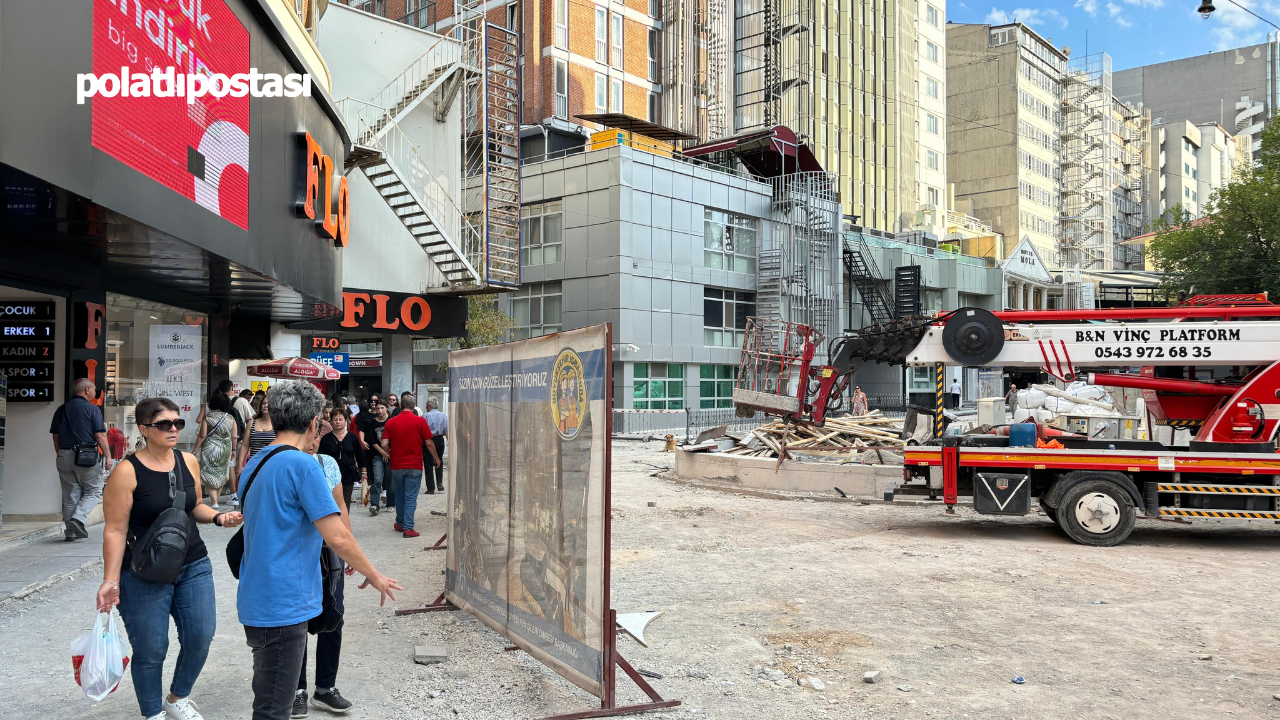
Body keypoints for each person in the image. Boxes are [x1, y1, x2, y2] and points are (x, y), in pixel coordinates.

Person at [237, 381, 400, 720]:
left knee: (269, 700)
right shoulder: (304, 465)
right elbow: (337, 536)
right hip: (285, 600)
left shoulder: (256, 461)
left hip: (258, 595)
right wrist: (375, 574)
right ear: (314, 422)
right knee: (272, 710)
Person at [96, 397, 244, 720]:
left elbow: (194, 506)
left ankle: (177, 698)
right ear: (145, 429)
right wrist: (110, 580)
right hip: (144, 570)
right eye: (165, 424)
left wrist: (219, 518)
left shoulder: (189, 461)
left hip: (192, 561)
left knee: (201, 635)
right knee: (151, 648)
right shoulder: (126, 472)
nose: (174, 429)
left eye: (178, 423)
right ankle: (153, 714)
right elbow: (115, 531)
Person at [294, 416, 357, 717]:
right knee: (297, 621)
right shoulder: (283, 463)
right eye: (313, 432)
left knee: (334, 615)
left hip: (327, 554)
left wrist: (348, 548)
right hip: (294, 556)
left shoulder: (328, 464)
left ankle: (325, 688)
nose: (315, 438)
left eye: (319, 433)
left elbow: (341, 505)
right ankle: (297, 689)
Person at [50, 377, 113, 541]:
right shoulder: (93, 409)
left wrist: (61, 453)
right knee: (93, 490)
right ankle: (78, 520)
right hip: (86, 456)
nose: (94, 393)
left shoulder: (61, 409)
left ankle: (70, 533)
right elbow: (100, 435)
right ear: (87, 390)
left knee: (71, 494)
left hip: (63, 455)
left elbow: (55, 437)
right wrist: (108, 455)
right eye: (93, 390)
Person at [380, 393, 439, 538]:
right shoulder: (420, 421)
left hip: (397, 465)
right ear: (414, 407)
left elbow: (384, 444)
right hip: (414, 464)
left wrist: (388, 454)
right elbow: (429, 443)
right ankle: (408, 527)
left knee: (400, 495)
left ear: (400, 406)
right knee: (411, 497)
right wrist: (436, 458)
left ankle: (400, 523)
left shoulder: (390, 422)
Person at [193, 389, 239, 509]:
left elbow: (202, 435)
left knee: (209, 473)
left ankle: (214, 502)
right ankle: (216, 500)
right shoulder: (230, 418)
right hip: (225, 448)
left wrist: (195, 449)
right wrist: (234, 450)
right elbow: (234, 436)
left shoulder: (207, 418)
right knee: (221, 473)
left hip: (210, 448)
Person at [319, 407, 366, 508]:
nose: (338, 422)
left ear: (345, 421)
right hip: (330, 475)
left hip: (348, 474)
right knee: (332, 501)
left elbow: (360, 455)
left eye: (341, 419)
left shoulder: (352, 437)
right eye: (335, 419)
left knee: (346, 500)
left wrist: (364, 472)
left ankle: (344, 522)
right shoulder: (326, 439)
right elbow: (321, 458)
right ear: (331, 421)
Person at [363, 401, 392, 514]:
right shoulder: (372, 423)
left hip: (391, 454)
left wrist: (387, 452)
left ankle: (390, 503)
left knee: (390, 480)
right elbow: (372, 440)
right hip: (377, 454)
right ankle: (375, 504)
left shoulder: (391, 421)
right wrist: (382, 452)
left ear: (387, 409)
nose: (380, 411)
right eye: (378, 408)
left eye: (382, 408)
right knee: (377, 479)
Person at [239, 393, 276, 470]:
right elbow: (245, 445)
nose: (266, 405)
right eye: (264, 403)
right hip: (254, 464)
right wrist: (239, 465)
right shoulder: (252, 423)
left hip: (272, 464)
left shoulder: (277, 424)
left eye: (269, 404)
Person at [423, 400, 448, 495]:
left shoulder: (425, 416)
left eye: (426, 405)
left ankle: (430, 488)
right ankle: (439, 483)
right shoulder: (443, 415)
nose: (426, 407)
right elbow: (447, 431)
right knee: (439, 460)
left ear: (429, 405)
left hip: (428, 439)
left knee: (428, 463)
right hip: (439, 440)